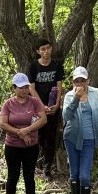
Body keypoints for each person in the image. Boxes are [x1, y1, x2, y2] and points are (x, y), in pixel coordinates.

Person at [0, 73, 46, 194]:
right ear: (14, 88)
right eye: (20, 88)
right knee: (13, 176)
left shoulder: (34, 102)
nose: (24, 90)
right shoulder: (8, 104)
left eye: (26, 87)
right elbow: (3, 123)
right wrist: (20, 133)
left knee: (29, 176)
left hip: (31, 146)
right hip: (12, 145)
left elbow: (43, 119)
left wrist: (28, 130)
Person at [26, 40, 65, 176]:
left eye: (48, 48)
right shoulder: (33, 66)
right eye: (43, 49)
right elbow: (31, 88)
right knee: (38, 136)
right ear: (38, 52)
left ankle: (47, 168)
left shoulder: (57, 65)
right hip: (37, 107)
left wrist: (57, 104)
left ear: (51, 48)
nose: (46, 51)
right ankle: (36, 163)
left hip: (53, 108)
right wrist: (41, 106)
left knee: (51, 137)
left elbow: (59, 86)